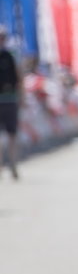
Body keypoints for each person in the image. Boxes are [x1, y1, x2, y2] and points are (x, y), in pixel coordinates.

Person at [0, 26, 22, 180]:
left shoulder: (12, 54)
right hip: (7, 100)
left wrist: (22, 97)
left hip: (10, 99)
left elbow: (19, 77)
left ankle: (13, 164)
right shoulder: (12, 54)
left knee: (12, 135)